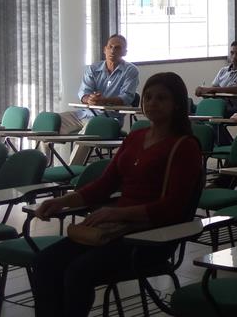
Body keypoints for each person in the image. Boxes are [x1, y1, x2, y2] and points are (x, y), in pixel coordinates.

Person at [30, 72, 203, 317]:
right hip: (113, 229)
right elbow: (104, 184)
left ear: (177, 104)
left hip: (150, 238)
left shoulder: (184, 146)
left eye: (161, 98)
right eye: (148, 97)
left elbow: (172, 208)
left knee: (78, 272)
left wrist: (116, 213)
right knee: (44, 263)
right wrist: (62, 201)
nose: (152, 103)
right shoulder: (135, 137)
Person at [60, 34, 139, 164]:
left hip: (108, 119)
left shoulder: (130, 71)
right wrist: (89, 99)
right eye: (110, 47)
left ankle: (72, 171)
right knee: (52, 122)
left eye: (117, 48)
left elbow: (126, 98)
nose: (113, 51)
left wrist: (104, 101)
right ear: (104, 49)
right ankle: (42, 165)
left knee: (89, 129)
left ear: (124, 52)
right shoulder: (93, 69)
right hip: (84, 114)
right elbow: (83, 93)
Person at [196, 40, 237, 115]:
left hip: (233, 108)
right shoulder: (223, 70)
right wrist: (203, 91)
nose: (234, 56)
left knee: (207, 110)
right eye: (232, 53)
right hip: (217, 104)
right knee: (190, 104)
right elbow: (213, 89)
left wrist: (211, 89)